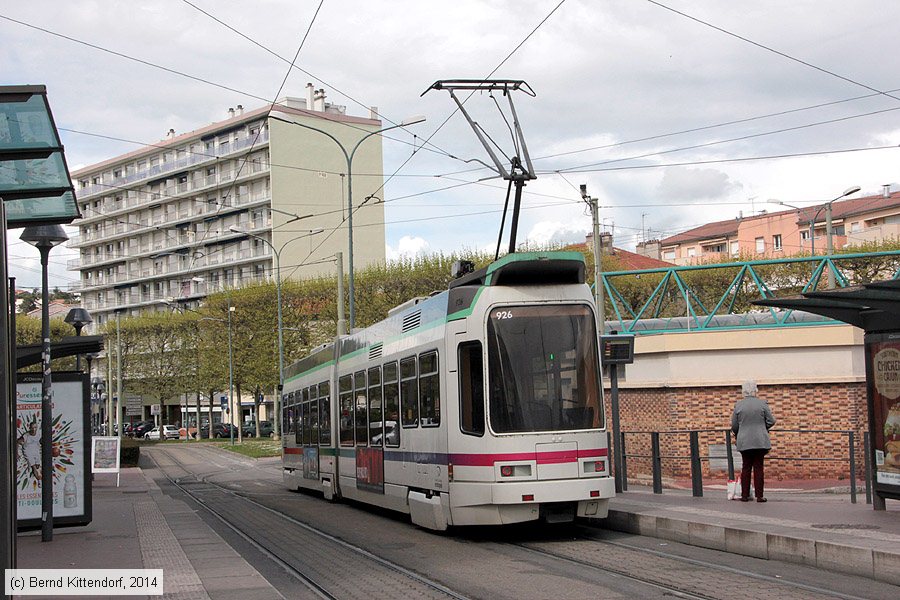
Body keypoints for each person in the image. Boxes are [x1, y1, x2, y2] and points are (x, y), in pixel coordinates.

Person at [731, 380, 776, 502]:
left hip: (744, 441)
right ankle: (759, 496)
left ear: (743, 391)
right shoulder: (762, 404)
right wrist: (763, 427)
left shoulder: (738, 405)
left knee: (746, 467)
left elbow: (734, 425)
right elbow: (771, 421)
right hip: (760, 440)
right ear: (755, 390)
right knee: (758, 467)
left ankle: (744, 495)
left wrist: (739, 432)